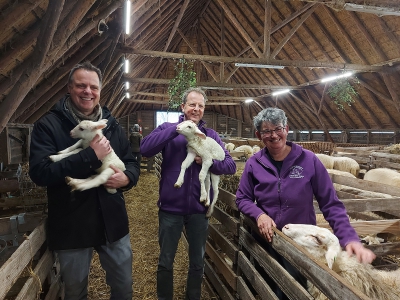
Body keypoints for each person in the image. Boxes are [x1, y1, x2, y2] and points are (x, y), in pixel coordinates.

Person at [235, 107, 375, 300]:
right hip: (267, 240)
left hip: (302, 244)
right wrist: (259, 214)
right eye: (267, 131)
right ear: (259, 135)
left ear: (287, 129)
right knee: (265, 286)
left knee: (295, 290)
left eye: (278, 129)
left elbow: (331, 204)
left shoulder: (309, 160)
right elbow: (242, 198)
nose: (274, 135)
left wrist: (350, 239)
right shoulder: (254, 163)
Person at [29, 61, 140, 300]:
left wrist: (127, 179)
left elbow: (131, 162)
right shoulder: (48, 125)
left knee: (123, 288)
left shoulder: (111, 125)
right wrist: (90, 156)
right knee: (75, 292)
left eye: (93, 87)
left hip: (113, 222)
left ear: (100, 91)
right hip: (73, 223)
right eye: (81, 86)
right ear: (69, 88)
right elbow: (40, 172)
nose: (88, 92)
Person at [140, 87, 236, 300]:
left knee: (197, 262)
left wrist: (209, 163)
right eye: (192, 104)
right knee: (166, 260)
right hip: (170, 209)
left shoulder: (210, 136)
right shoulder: (168, 128)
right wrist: (177, 129)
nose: (196, 109)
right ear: (182, 107)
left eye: (201, 105)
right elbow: (145, 149)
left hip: (198, 211)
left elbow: (230, 166)